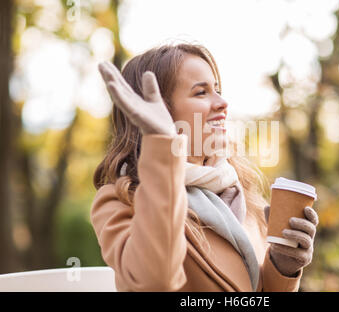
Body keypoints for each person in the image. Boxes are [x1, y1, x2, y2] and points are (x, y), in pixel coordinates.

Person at [90, 42, 319, 292]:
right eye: (201, 93)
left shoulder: (238, 190)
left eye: (217, 90)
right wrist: (162, 143)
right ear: (159, 111)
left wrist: (282, 266)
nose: (222, 103)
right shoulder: (121, 201)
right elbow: (154, 282)